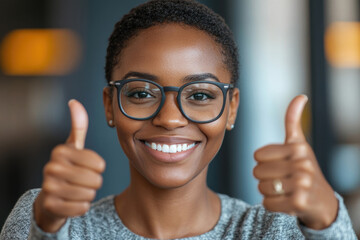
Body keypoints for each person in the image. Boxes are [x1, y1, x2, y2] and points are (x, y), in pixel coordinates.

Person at [1, 0, 356, 239]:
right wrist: (45, 229)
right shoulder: (48, 219)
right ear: (109, 106)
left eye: (200, 95)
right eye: (141, 93)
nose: (170, 119)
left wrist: (327, 219)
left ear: (231, 108)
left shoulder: (275, 230)